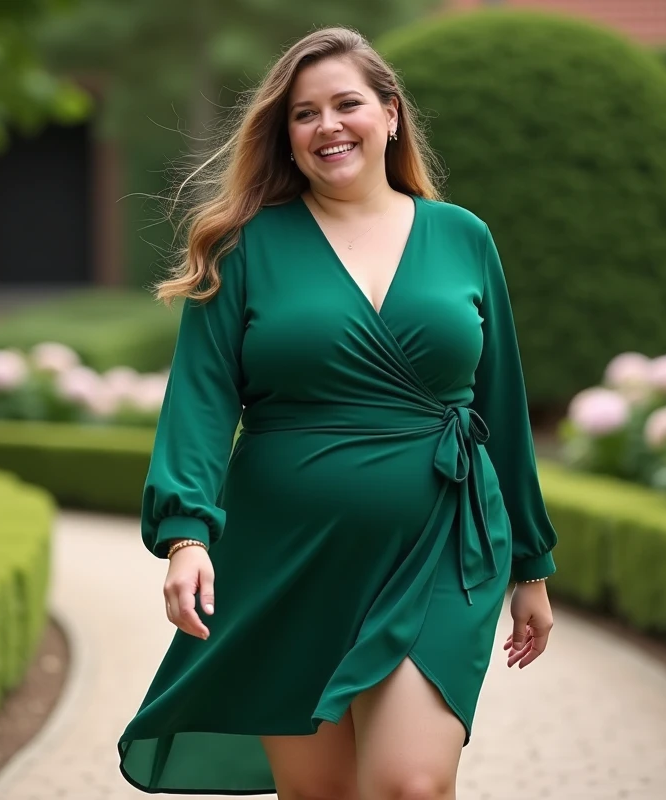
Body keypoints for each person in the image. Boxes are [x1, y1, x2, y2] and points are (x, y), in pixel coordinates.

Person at [118, 25, 558, 798]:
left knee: (410, 784)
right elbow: (200, 398)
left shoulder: (463, 238)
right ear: (285, 138)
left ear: (390, 114)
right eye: (304, 113)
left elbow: (503, 405)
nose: (328, 125)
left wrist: (531, 563)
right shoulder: (243, 246)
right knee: (321, 794)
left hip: (443, 545)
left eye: (346, 103)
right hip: (288, 557)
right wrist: (186, 533)